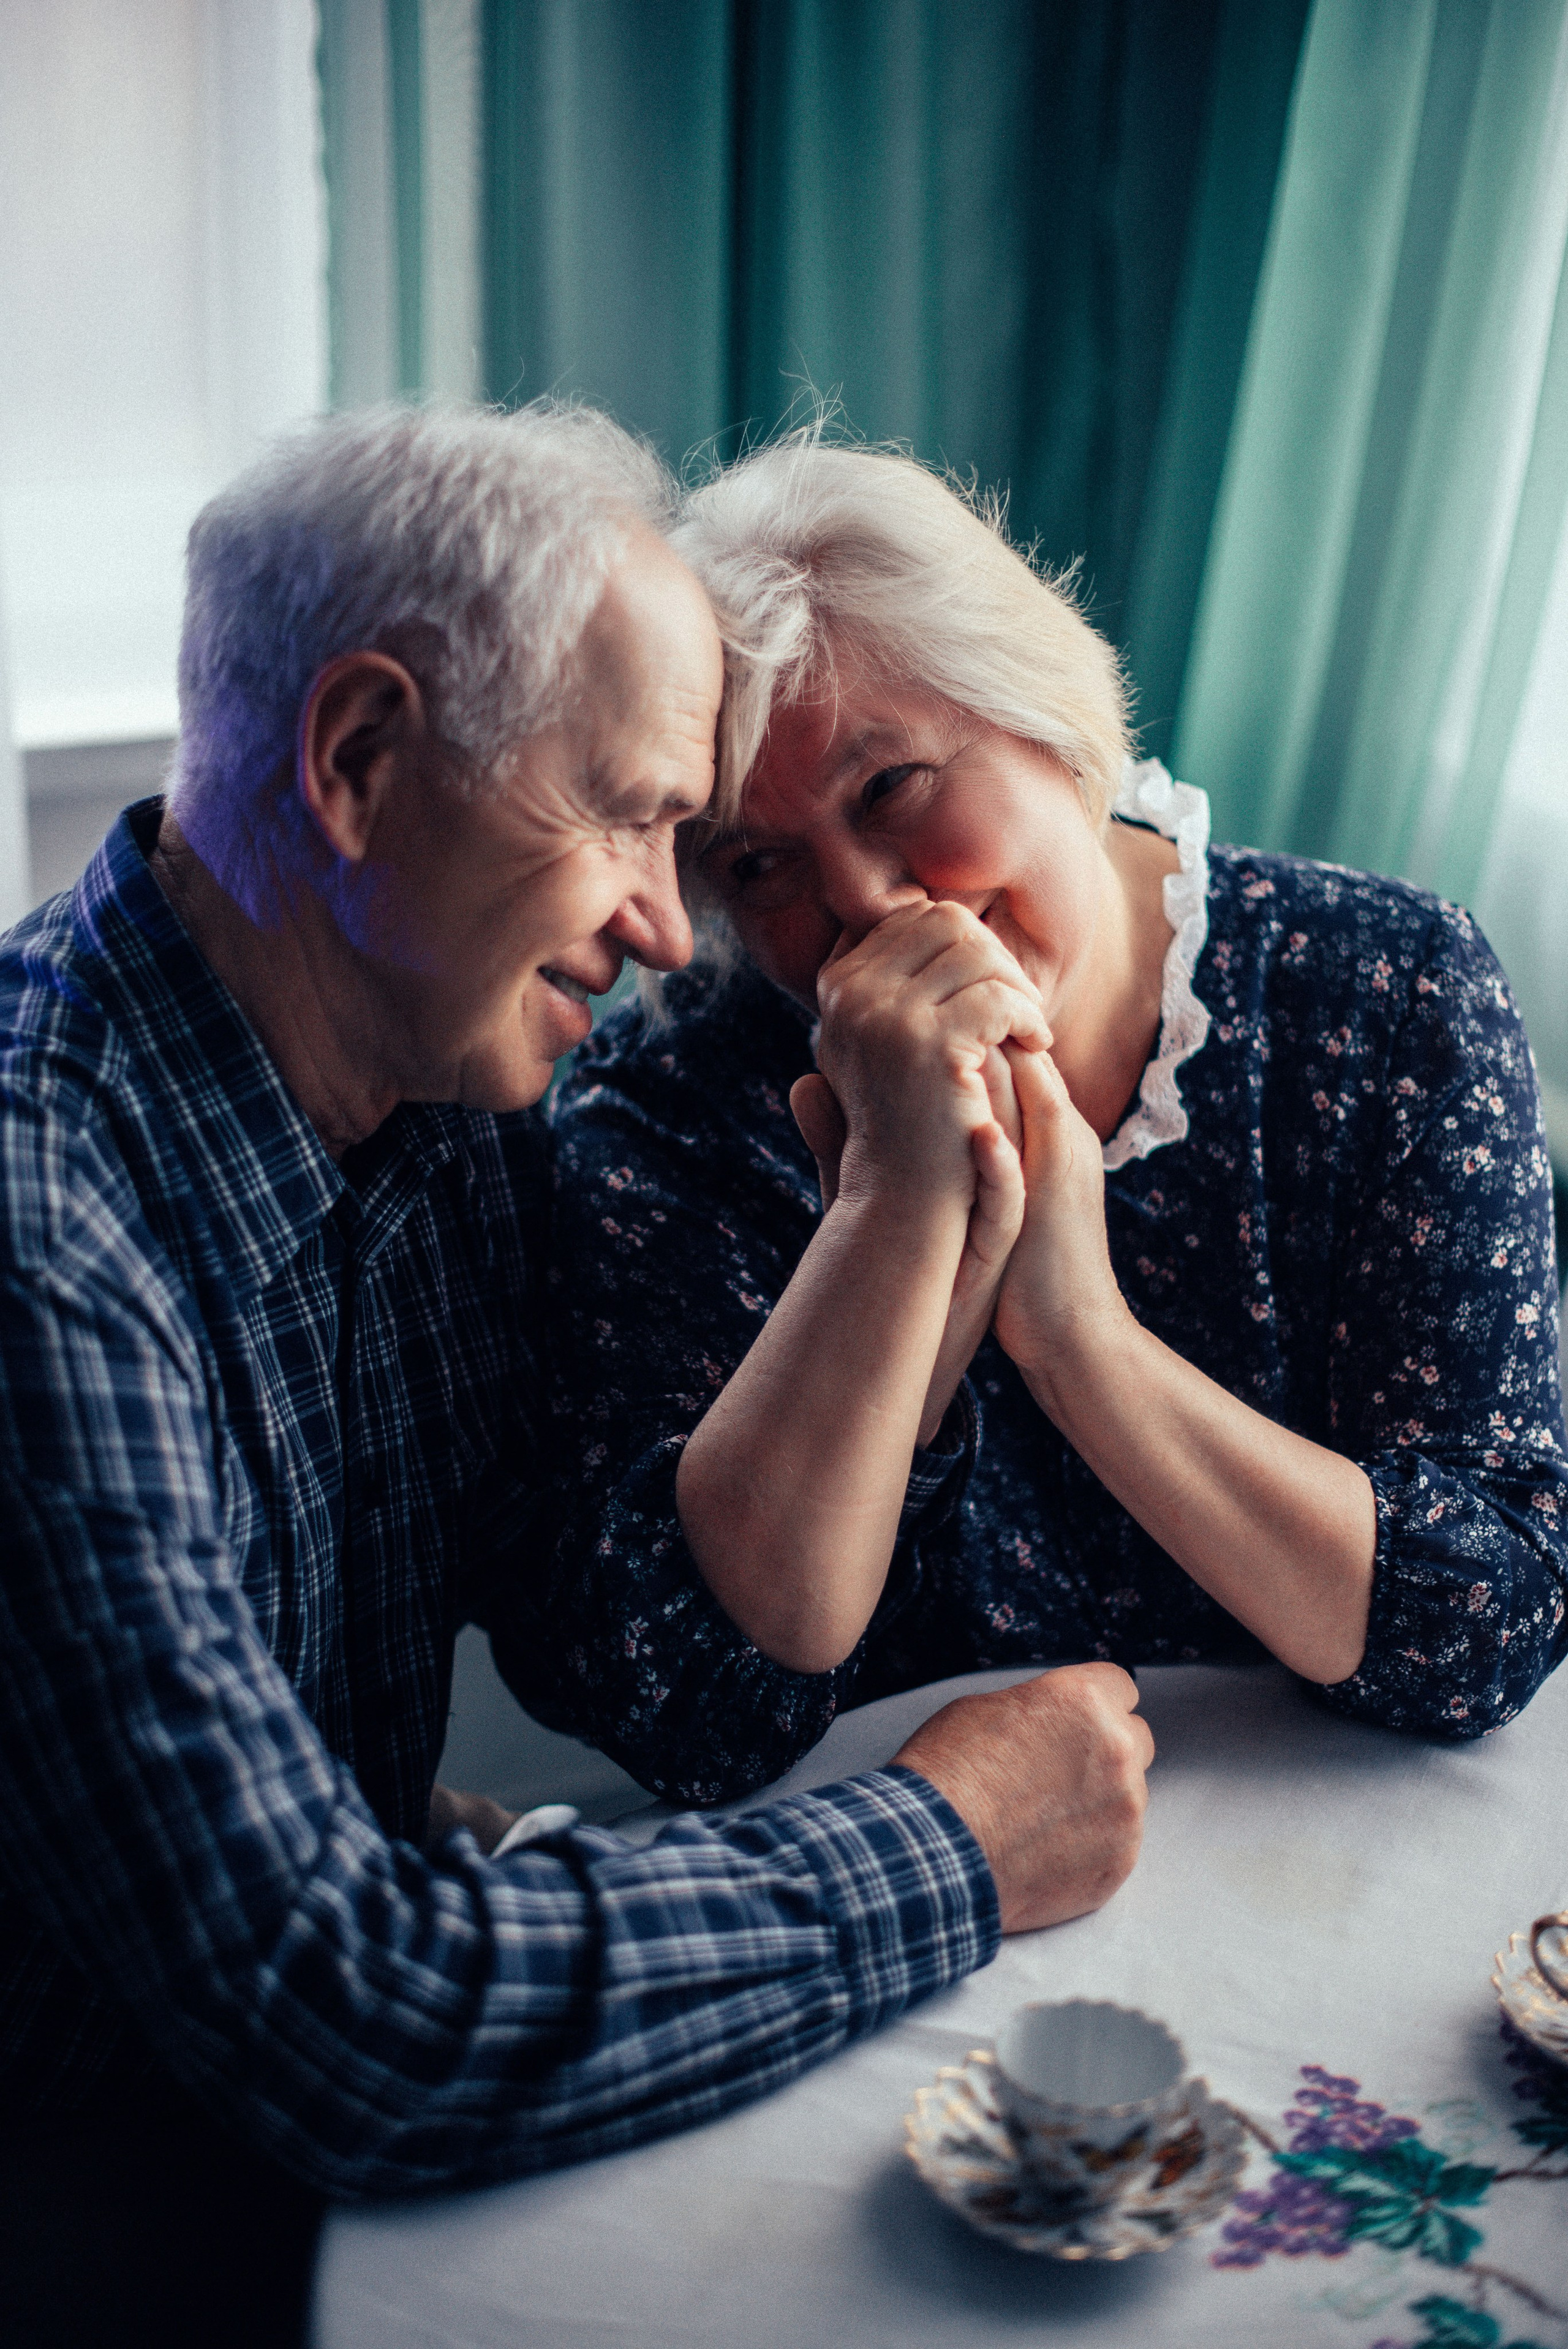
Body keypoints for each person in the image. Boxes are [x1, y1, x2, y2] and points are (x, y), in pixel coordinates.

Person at [0, 405, 1155, 2349]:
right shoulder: (43, 1236)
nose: (661, 925)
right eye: (629, 815)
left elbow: (653, 1668)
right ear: (360, 760)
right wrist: (956, 1838)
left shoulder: (451, 1118)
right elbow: (352, 2019)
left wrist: (902, 1199)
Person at [530, 433, 1568, 1809]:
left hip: (1315, 1838)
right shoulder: (664, 1120)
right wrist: (893, 1220)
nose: (869, 906)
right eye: (759, 862)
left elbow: (1482, 1631)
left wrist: (1077, 1337)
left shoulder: (1387, 992)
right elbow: (687, 1716)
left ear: (1039, 711)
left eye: (890, 785)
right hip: (900, 1877)